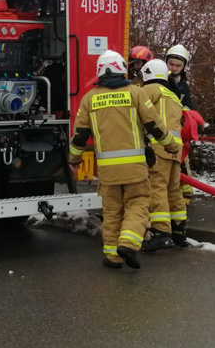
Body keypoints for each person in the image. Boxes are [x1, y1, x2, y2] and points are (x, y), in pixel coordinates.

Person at [68, 50, 181, 270]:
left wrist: (75, 159)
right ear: (121, 68)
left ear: (99, 71)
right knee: (138, 204)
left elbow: (79, 134)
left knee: (112, 212)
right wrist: (172, 146)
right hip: (135, 169)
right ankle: (128, 244)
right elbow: (154, 125)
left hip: (108, 173)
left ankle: (112, 256)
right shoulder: (135, 93)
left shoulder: (89, 99)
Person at [138, 59, 188, 251]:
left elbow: (139, 116)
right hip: (175, 149)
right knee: (173, 189)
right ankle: (179, 232)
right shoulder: (173, 95)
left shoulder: (147, 91)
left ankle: (160, 232)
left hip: (158, 147)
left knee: (157, 188)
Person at [164, 43, 197, 204]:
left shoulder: (183, 84)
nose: (174, 68)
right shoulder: (161, 81)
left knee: (183, 161)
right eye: (171, 64)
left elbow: (189, 104)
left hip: (179, 130)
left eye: (178, 65)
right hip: (163, 129)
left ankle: (186, 193)